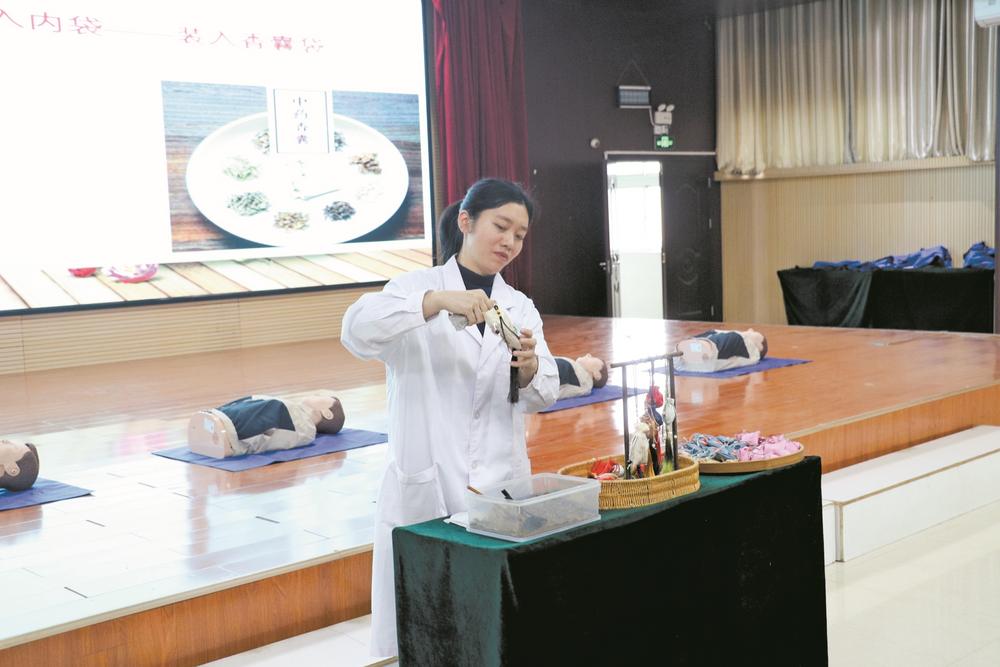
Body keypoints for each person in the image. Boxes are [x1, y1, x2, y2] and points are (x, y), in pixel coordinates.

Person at [341, 178, 559, 657]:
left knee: (487, 623)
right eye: (501, 226)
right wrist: (434, 303)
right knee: (427, 618)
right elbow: (355, 330)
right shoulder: (414, 289)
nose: (510, 241)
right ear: (466, 221)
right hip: (428, 484)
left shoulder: (519, 307)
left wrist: (530, 368)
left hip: (499, 483)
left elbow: (544, 392)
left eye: (520, 235)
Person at [186, 393, 345, 458]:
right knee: (256, 401)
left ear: (327, 413)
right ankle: (215, 419)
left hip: (234, 431)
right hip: (227, 419)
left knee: (273, 408)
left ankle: (224, 431)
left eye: (322, 398)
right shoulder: (297, 413)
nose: (316, 395)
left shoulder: (305, 427)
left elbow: (278, 437)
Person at [675, 328, 768, 373]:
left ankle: (698, 348)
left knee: (734, 337)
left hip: (708, 355)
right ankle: (693, 347)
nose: (751, 330)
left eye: (755, 333)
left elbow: (754, 354)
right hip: (693, 356)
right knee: (713, 333)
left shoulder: (748, 345)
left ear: (760, 347)